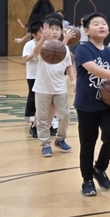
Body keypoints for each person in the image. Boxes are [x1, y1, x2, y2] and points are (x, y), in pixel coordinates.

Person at [74, 12, 110, 197]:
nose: (101, 26)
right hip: (86, 105)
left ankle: (99, 168)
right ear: (86, 30)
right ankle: (87, 180)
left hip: (107, 105)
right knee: (88, 144)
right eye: (96, 23)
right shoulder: (83, 49)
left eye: (104, 23)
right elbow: (94, 69)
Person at [34, 16, 74, 159]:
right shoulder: (43, 46)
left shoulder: (64, 48)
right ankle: (45, 144)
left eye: (58, 29)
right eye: (52, 29)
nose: (55, 31)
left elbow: (69, 66)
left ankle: (60, 139)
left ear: (61, 31)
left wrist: (74, 80)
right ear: (46, 30)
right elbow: (35, 53)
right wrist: (42, 39)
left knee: (65, 115)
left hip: (60, 88)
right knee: (42, 118)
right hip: (42, 88)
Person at [21, 19, 43, 137]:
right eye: (40, 32)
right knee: (33, 94)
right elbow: (25, 59)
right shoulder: (29, 44)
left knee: (43, 96)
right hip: (32, 74)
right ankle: (30, 115)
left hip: (43, 74)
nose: (43, 33)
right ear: (34, 34)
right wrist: (34, 54)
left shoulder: (47, 43)